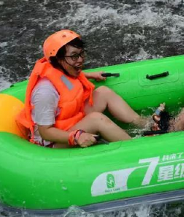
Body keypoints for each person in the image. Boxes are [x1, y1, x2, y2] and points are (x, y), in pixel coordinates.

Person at [16, 30, 147, 148]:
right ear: (58, 59)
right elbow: (46, 132)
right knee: (96, 119)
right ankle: (136, 148)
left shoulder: (63, 69)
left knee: (103, 92)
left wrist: (90, 75)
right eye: (74, 56)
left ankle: (147, 124)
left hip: (70, 121)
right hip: (53, 143)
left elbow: (65, 79)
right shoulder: (45, 93)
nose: (80, 60)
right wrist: (76, 136)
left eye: (81, 54)